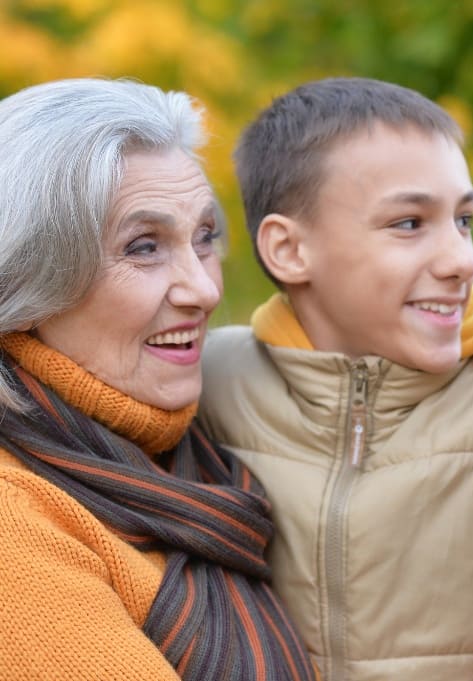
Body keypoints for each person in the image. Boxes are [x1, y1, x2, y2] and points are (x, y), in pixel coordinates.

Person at [196, 78, 473, 681]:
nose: (461, 260)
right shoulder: (209, 383)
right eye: (409, 223)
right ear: (288, 250)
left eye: (464, 220)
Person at [0, 79, 317, 680]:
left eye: (204, 239)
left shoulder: (191, 461)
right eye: (144, 247)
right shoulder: (14, 521)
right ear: (29, 281)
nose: (204, 289)